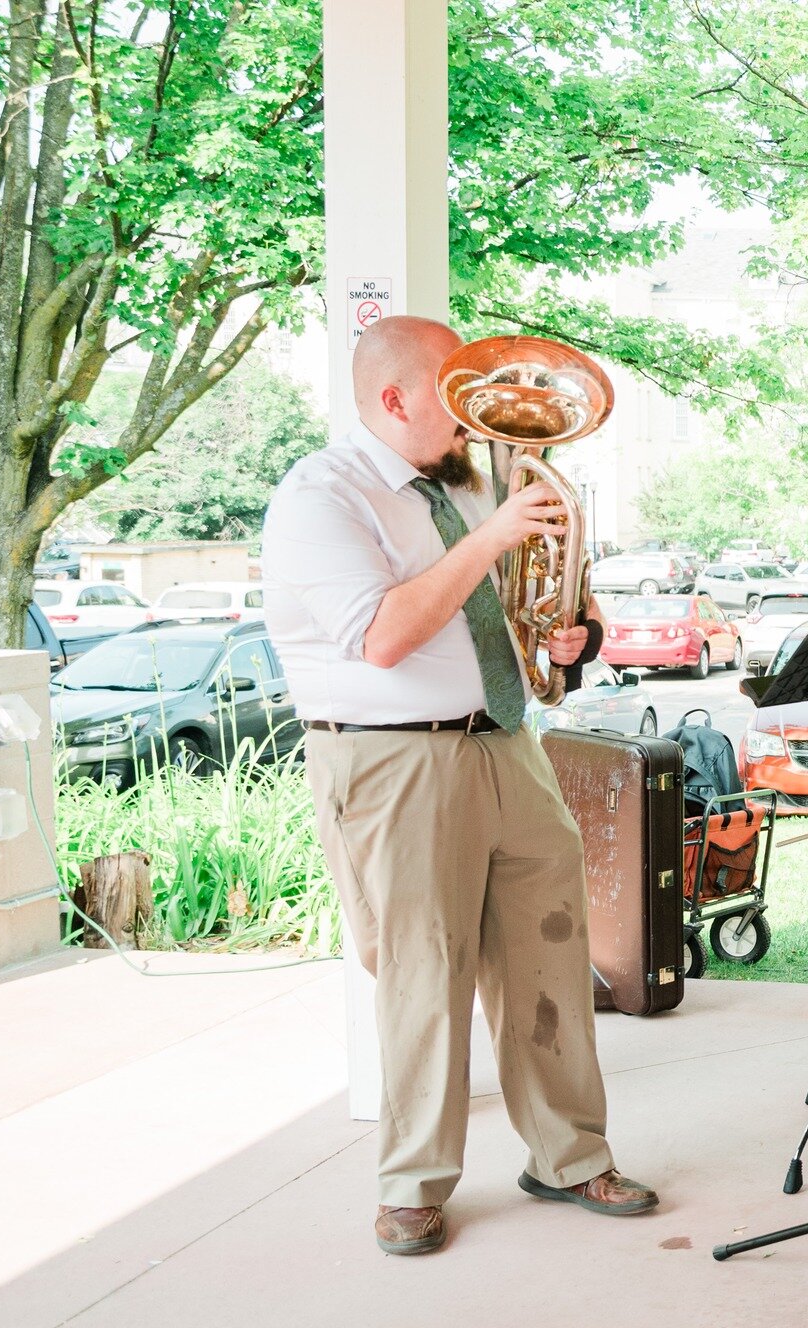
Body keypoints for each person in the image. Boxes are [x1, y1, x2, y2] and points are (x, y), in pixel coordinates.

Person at [262, 316, 656, 1257]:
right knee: (421, 972)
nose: (484, 398)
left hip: (505, 740)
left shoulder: (475, 485)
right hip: (389, 758)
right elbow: (385, 636)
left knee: (548, 957)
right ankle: (413, 1184)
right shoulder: (322, 495)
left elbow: (537, 607)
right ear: (396, 399)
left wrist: (574, 637)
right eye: (459, 383)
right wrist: (495, 538)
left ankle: (567, 1155)